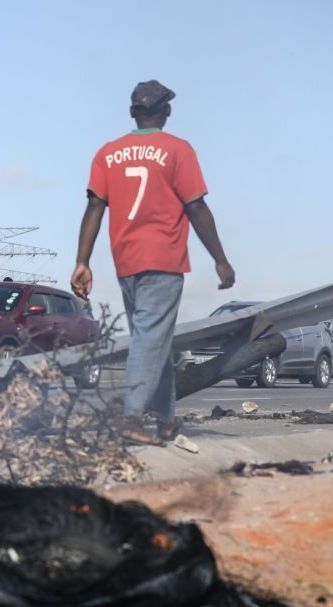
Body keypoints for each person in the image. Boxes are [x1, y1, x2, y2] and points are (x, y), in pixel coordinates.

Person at [71, 80, 234, 446]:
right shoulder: (178, 150)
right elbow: (196, 206)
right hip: (163, 258)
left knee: (154, 339)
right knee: (150, 339)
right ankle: (131, 416)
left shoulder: (107, 153)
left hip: (125, 260)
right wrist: (220, 259)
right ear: (167, 111)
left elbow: (94, 206)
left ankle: (164, 419)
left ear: (133, 112)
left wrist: (82, 261)